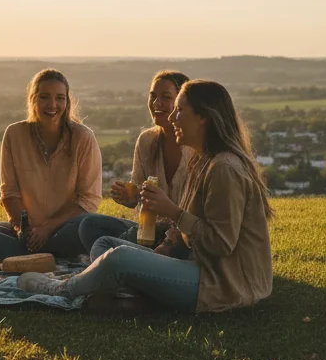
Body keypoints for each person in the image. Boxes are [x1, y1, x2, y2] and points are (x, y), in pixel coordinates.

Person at [19, 80, 273, 314]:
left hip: (223, 283)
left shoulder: (224, 168)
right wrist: (169, 243)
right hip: (197, 263)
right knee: (106, 245)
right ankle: (134, 295)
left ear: (204, 117)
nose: (172, 116)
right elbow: (193, 224)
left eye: (180, 110)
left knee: (120, 258)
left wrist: (172, 211)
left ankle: (61, 289)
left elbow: (220, 244)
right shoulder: (204, 160)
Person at [0, 68, 102, 261]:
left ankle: (31, 256)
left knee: (90, 228)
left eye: (60, 98)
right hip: (27, 230)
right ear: (32, 99)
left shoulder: (83, 138)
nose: (52, 105)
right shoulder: (14, 134)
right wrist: (25, 228)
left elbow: (88, 200)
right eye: (44, 97)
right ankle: (48, 256)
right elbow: (9, 193)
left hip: (66, 229)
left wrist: (47, 228)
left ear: (67, 102)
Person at [78, 69, 192, 253]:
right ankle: (135, 257)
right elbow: (138, 193)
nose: (157, 103)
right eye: (153, 96)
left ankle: (126, 258)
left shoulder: (195, 146)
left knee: (105, 246)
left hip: (184, 236)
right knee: (89, 225)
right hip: (148, 231)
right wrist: (129, 197)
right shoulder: (147, 140)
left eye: (166, 97)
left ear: (182, 103)